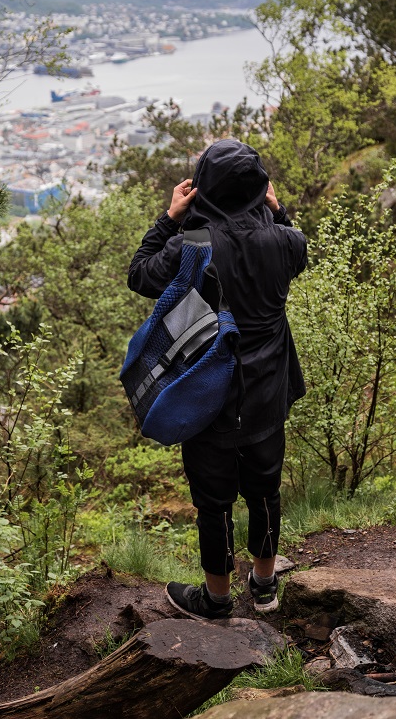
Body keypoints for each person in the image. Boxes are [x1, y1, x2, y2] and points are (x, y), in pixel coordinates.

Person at [127, 138, 307, 618]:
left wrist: (171, 216)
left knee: (214, 501)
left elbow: (140, 275)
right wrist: (277, 209)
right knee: (265, 491)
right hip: (269, 392)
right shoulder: (286, 241)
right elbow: (298, 249)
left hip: (208, 394)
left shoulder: (192, 243)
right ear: (260, 188)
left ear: (202, 187)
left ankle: (217, 599)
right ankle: (265, 588)